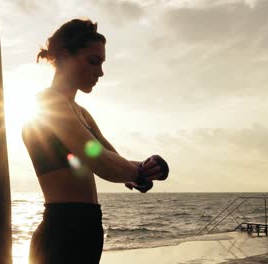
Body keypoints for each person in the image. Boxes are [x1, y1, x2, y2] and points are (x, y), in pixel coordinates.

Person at [21, 18, 169, 264]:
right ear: (65, 56)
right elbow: (101, 162)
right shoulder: (47, 104)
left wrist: (148, 169)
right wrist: (138, 173)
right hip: (62, 233)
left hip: (85, 231)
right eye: (93, 61)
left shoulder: (81, 112)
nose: (100, 72)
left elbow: (114, 160)